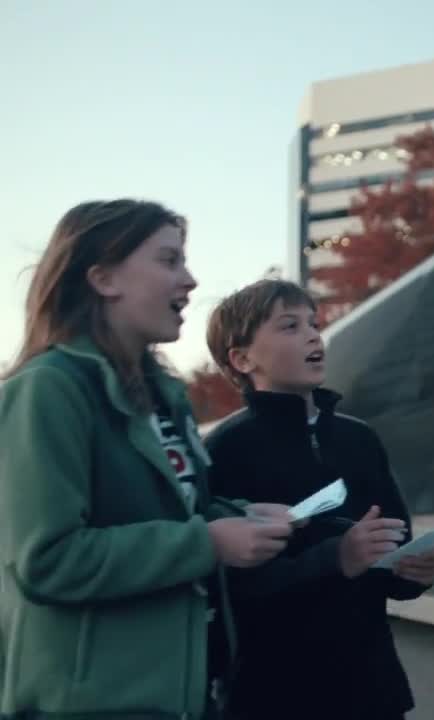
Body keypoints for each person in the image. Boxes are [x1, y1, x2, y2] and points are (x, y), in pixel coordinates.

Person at [0, 199, 295, 719]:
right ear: (104, 278)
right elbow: (47, 560)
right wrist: (209, 543)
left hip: (182, 697)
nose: (190, 280)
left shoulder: (165, 396)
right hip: (87, 707)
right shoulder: (46, 390)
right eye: (168, 260)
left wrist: (239, 518)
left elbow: (174, 515)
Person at [202, 278, 434, 720]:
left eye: (313, 323)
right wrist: (337, 558)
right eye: (290, 326)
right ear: (242, 359)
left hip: (374, 692)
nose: (314, 335)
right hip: (275, 697)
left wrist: (416, 571)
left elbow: (391, 561)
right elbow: (232, 590)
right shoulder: (225, 449)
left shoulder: (360, 438)